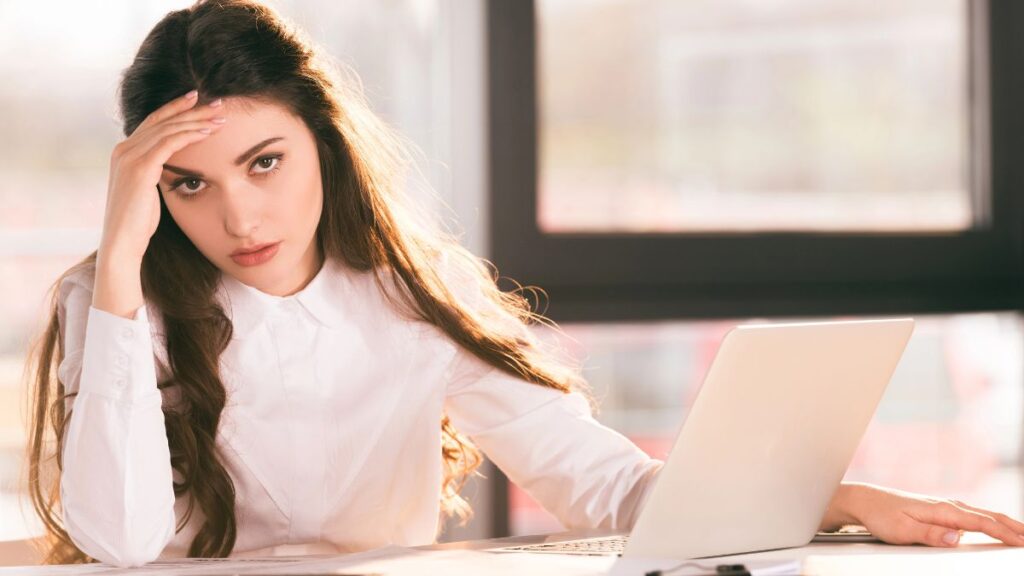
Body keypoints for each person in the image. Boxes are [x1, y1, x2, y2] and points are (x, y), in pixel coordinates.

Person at [22, 0, 1024, 569]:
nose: (237, 218)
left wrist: (842, 500)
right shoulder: (116, 303)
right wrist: (117, 254)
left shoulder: (412, 295)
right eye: (186, 184)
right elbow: (119, 542)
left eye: (265, 162)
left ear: (322, 142)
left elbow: (604, 482)